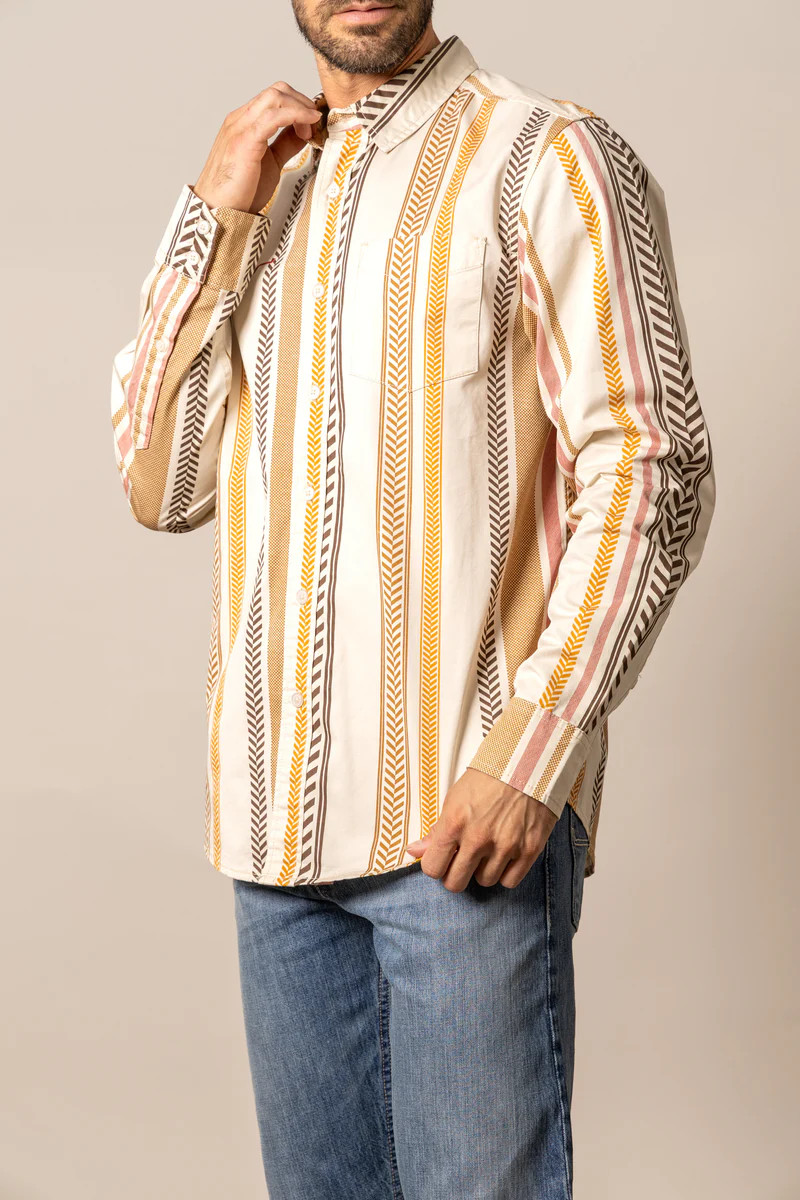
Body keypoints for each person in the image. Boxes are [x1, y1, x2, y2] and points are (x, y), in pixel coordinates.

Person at [109, 1, 716, 1195]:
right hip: (274, 840)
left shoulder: (546, 154)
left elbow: (654, 465)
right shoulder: (262, 189)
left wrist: (534, 749)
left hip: (460, 832)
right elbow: (164, 485)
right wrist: (212, 218)